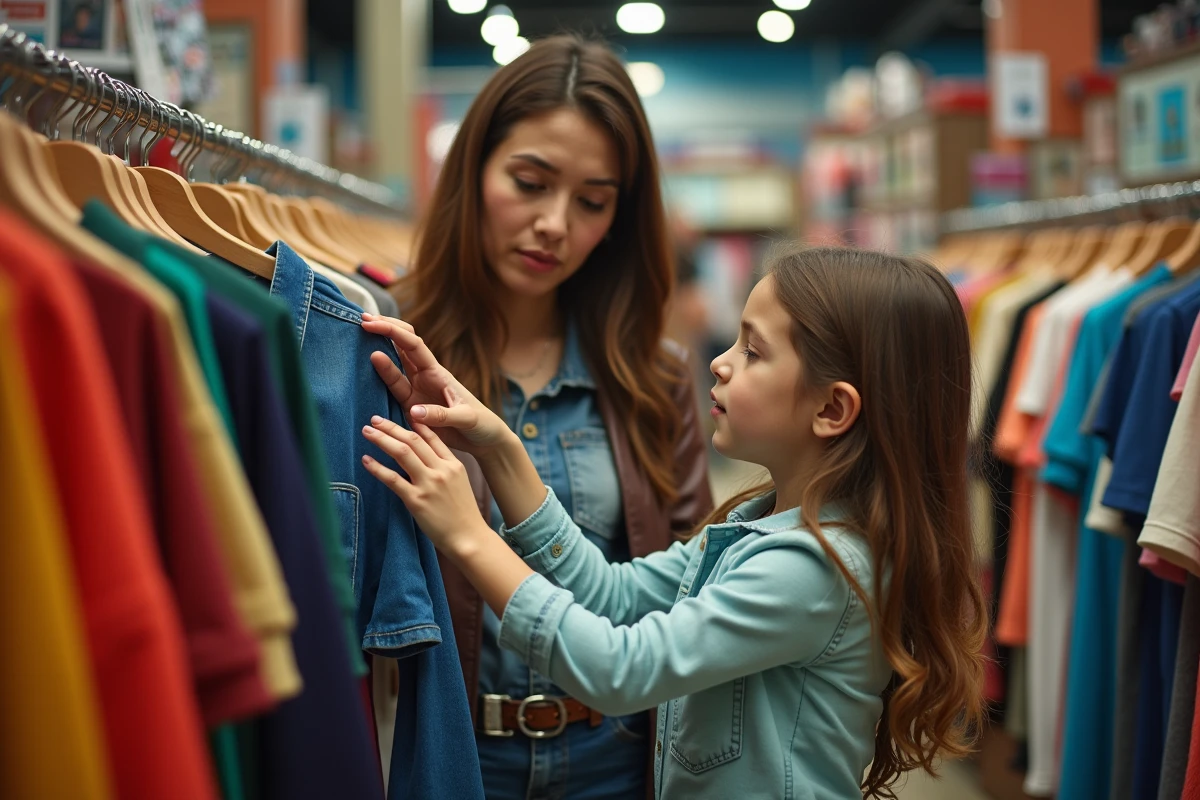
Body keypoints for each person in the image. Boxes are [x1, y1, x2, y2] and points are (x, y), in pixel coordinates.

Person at [360, 244, 989, 799]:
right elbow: (613, 595)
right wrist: (499, 450)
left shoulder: (815, 570)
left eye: (753, 352)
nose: (719, 362)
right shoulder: (756, 526)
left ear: (832, 408)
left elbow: (618, 670)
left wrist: (469, 536)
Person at [389, 34, 713, 799]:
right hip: (448, 756)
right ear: (474, 170)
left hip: (617, 758)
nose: (555, 224)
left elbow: (688, 592)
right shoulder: (388, 350)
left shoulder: (654, 376)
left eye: (592, 202)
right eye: (529, 182)